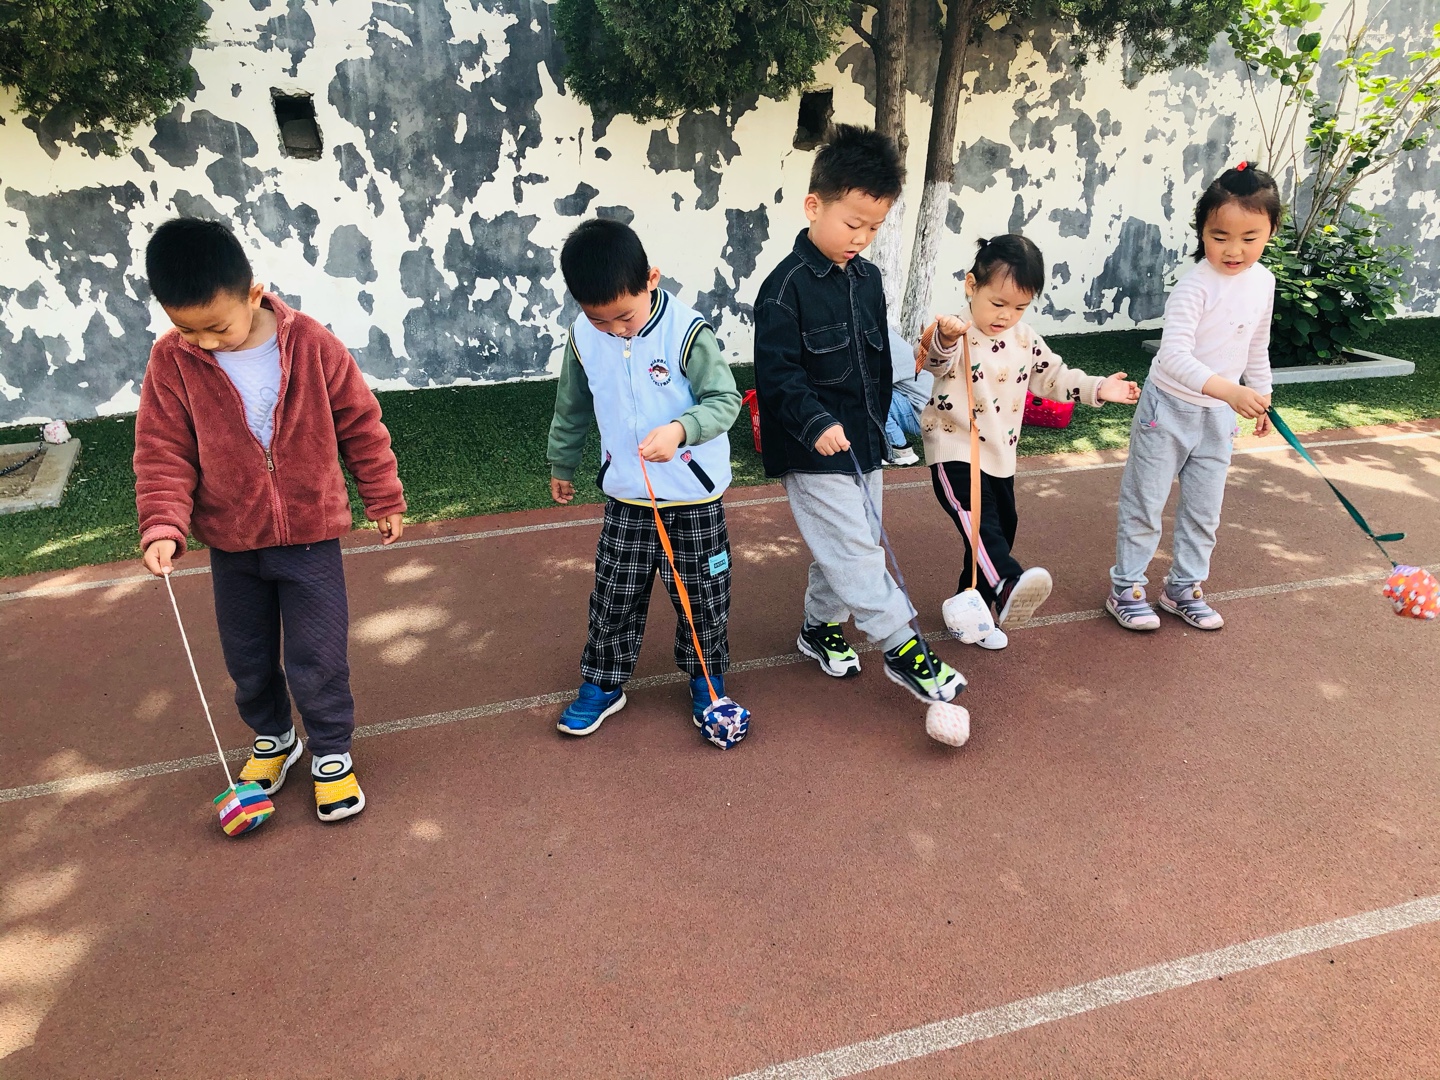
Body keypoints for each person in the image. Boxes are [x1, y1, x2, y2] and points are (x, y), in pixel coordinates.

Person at [135, 217, 406, 822]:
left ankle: (330, 750)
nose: (204, 342)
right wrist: (163, 524)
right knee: (248, 656)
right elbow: (162, 450)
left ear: (253, 294)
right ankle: (275, 738)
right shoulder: (172, 360)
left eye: (217, 327)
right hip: (233, 542)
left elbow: (360, 423)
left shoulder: (310, 342)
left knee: (318, 653)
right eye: (186, 328)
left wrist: (382, 496)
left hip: (311, 537)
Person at [752, 124, 965, 704]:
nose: (863, 238)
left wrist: (892, 419)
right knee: (855, 549)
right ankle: (902, 646)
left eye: (874, 227)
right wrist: (816, 423)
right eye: (853, 224)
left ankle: (819, 627)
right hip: (810, 447)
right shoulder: (782, 290)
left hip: (865, 442)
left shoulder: (869, 280)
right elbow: (777, 377)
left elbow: (879, 365)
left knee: (850, 540)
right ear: (814, 206)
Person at [548, 218, 742, 740]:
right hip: (628, 497)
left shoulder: (688, 332)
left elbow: (725, 401)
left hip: (693, 497)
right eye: (599, 319)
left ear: (651, 279)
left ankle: (706, 677)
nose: (615, 330)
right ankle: (603, 683)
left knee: (703, 596)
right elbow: (572, 405)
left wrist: (681, 430)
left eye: (624, 316)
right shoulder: (583, 337)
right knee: (614, 595)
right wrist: (561, 462)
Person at [920, 235, 1139, 649]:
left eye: (1020, 307)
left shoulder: (1024, 337)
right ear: (971, 285)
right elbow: (934, 360)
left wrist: (1098, 388)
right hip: (955, 448)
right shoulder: (954, 329)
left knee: (1000, 532)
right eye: (998, 303)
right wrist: (945, 338)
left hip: (1000, 455)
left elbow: (1054, 377)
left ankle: (973, 611)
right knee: (980, 526)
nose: (1007, 315)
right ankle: (1006, 584)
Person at [1107, 162, 1281, 631]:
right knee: (1145, 504)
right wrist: (1230, 390)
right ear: (1202, 231)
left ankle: (1183, 587)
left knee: (1205, 510)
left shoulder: (1263, 282)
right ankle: (1127, 587)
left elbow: (1256, 343)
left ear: (1271, 231)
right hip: (1167, 410)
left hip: (1218, 417)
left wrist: (1261, 394)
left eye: (1250, 237)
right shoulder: (1194, 286)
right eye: (1220, 236)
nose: (1234, 249)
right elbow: (1172, 358)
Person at [883, 327, 930, 466]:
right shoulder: (888, 336)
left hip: (922, 415)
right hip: (928, 409)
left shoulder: (883, 345)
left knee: (869, 398)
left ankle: (899, 447)